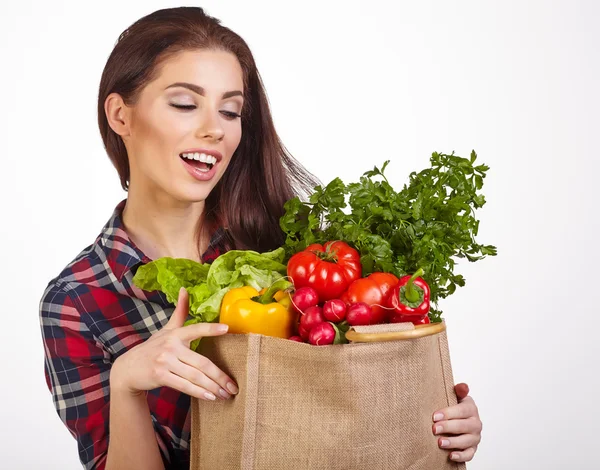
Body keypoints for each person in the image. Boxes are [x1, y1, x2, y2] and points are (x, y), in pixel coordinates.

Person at [39, 7, 482, 470]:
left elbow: (369, 389)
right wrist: (127, 382)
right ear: (120, 115)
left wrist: (444, 423)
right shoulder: (77, 301)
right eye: (185, 104)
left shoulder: (293, 248)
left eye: (231, 111)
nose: (215, 128)